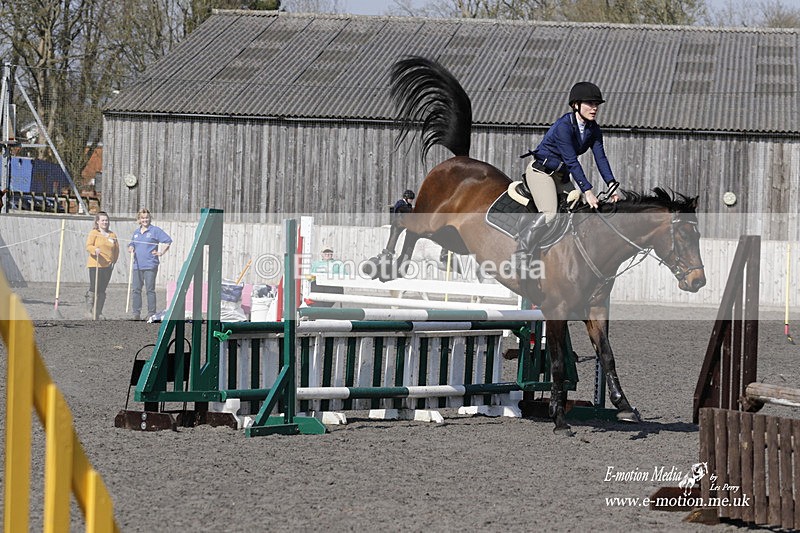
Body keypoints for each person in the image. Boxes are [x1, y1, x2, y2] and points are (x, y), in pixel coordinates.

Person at [514, 81, 621, 268]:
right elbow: (572, 161)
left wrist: (611, 186)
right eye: (590, 103)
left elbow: (600, 157)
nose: (594, 108)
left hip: (560, 176)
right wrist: (587, 190)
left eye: (596, 104)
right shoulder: (564, 126)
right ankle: (521, 253)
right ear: (575, 105)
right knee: (549, 213)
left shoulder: (593, 129)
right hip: (541, 173)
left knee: (577, 212)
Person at [128, 208, 172, 320]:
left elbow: (168, 241)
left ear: (150, 218)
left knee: (150, 289)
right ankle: (136, 313)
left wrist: (161, 252)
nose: (145, 220)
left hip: (150, 265)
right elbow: (131, 244)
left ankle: (151, 313)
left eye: (147, 217)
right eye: (142, 218)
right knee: (136, 289)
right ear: (139, 219)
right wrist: (131, 247)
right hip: (137, 265)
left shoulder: (155, 230)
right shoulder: (136, 232)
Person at [85, 211, 119, 319]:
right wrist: (95, 250)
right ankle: (89, 311)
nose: (105, 222)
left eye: (106, 220)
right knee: (94, 287)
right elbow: (88, 246)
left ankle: (98, 312)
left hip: (107, 266)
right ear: (98, 222)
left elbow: (116, 250)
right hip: (95, 264)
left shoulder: (112, 235)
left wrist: (113, 261)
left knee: (102, 289)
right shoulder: (94, 233)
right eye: (102, 220)